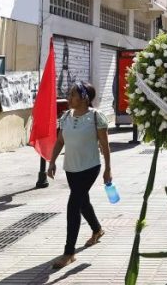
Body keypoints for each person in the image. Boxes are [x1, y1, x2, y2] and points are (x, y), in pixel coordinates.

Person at [47, 81, 112, 269]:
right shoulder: (66, 116)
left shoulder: (96, 117)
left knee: (73, 204)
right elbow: (60, 141)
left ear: (84, 98)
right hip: (71, 168)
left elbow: (105, 145)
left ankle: (69, 253)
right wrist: (52, 162)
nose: (69, 98)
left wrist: (108, 169)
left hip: (90, 167)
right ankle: (97, 230)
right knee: (83, 202)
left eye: (73, 95)